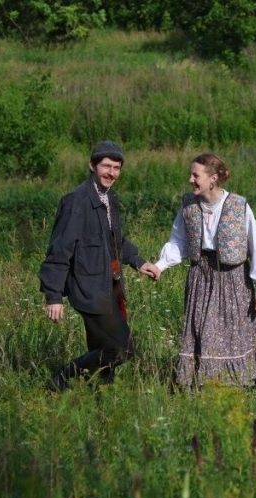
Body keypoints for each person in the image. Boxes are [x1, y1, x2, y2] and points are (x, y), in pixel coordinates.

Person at [39, 140, 160, 391]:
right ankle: (62, 378)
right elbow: (60, 249)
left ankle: (98, 394)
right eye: (106, 166)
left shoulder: (109, 198)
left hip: (111, 285)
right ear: (92, 165)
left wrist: (138, 262)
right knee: (122, 349)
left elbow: (114, 241)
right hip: (90, 287)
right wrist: (53, 296)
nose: (111, 173)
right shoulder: (77, 201)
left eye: (117, 168)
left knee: (102, 349)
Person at [153, 153, 256, 389]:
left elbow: (255, 245)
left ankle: (237, 383)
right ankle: (204, 383)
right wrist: (160, 265)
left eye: (196, 175)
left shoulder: (238, 205)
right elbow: (179, 241)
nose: (190, 179)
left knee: (233, 331)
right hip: (201, 276)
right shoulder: (188, 206)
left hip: (233, 278)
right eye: (191, 174)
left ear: (213, 178)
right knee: (203, 329)